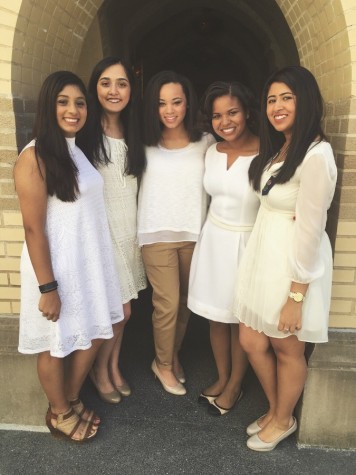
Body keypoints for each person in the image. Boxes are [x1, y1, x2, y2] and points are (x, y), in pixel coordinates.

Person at [14, 71, 124, 441]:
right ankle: (59, 413)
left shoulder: (74, 148)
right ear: (49, 105)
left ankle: (71, 398)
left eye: (79, 102)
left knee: (92, 334)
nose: (73, 110)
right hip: (55, 269)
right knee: (54, 343)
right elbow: (33, 229)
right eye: (63, 102)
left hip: (85, 264)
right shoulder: (34, 157)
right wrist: (48, 287)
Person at [233, 66, 337, 451]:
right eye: (272, 99)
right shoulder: (283, 147)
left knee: (286, 347)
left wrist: (296, 295)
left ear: (305, 100)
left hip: (291, 265)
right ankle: (280, 408)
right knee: (251, 339)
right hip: (266, 255)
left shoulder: (316, 154)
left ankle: (281, 419)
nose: (276, 106)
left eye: (286, 98)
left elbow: (310, 230)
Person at [137, 70, 215, 395]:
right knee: (166, 303)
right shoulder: (142, 144)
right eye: (161, 103)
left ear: (187, 103)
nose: (170, 110)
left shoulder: (206, 142)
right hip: (155, 235)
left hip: (194, 234)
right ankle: (163, 364)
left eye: (177, 102)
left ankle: (172, 354)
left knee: (184, 302)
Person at [188, 81, 260, 416]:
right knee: (216, 318)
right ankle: (222, 376)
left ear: (246, 111)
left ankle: (235, 385)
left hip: (246, 242)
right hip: (214, 240)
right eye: (217, 115)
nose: (225, 121)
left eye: (232, 112)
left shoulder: (267, 152)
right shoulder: (211, 151)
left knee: (238, 320)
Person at [78, 57, 147, 403]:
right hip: (102, 233)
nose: (113, 90)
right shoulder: (85, 131)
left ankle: (113, 366)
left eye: (121, 83)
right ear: (95, 87)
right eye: (106, 82)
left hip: (128, 231)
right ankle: (99, 371)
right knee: (119, 311)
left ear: (131, 90)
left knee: (123, 310)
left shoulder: (135, 132)